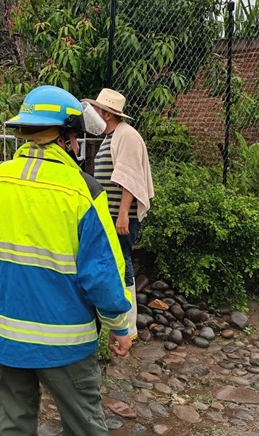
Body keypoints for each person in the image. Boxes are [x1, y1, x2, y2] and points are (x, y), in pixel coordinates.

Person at [0, 85, 132, 436]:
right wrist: (119, 325)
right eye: (77, 137)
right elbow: (103, 274)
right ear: (66, 135)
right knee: (85, 427)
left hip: (7, 337)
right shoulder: (84, 192)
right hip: (67, 344)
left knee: (14, 424)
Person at [85, 89, 154, 341]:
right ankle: (120, 324)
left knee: (122, 264)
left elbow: (130, 177)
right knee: (116, 264)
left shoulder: (126, 136)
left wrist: (123, 213)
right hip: (111, 216)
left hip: (119, 217)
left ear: (107, 113)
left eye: (97, 111)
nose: (93, 115)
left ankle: (129, 327)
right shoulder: (112, 136)